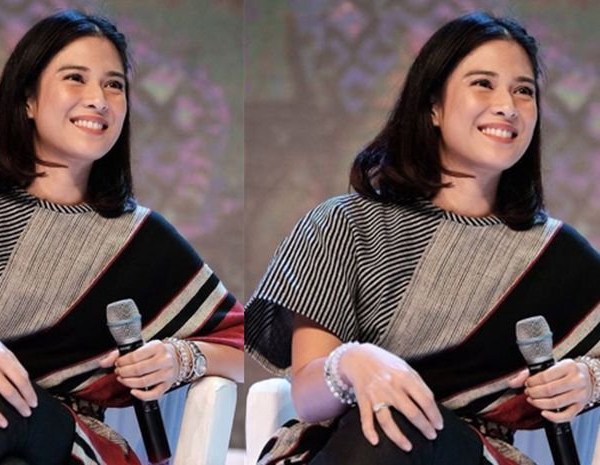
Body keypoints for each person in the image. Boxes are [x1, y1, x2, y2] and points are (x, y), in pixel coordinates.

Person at [245, 11, 600, 465]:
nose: (507, 106)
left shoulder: (555, 253)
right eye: (483, 84)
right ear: (433, 106)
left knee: (398, 429)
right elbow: (308, 398)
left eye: (523, 91)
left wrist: (588, 379)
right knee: (385, 426)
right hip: (347, 445)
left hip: (472, 455)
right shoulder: (343, 223)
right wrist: (352, 363)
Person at [0, 9, 244, 465]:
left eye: (113, 85)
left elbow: (246, 347)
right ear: (27, 99)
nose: (98, 99)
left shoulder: (139, 236)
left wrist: (183, 358)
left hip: (69, 444)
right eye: (75, 79)